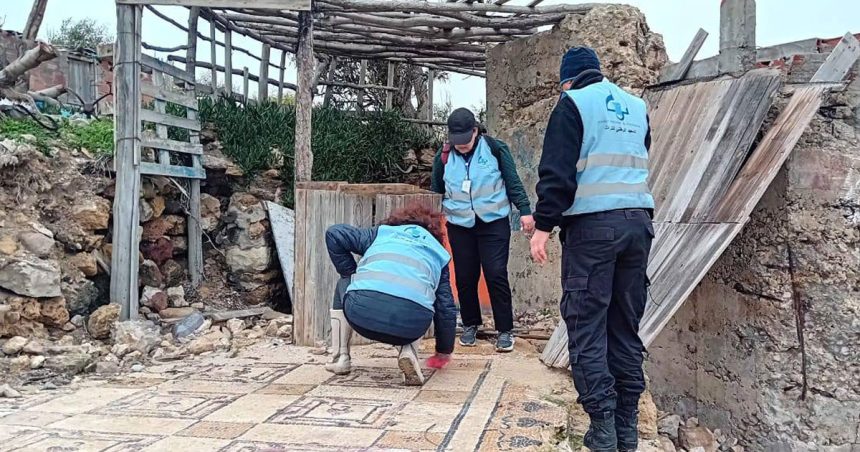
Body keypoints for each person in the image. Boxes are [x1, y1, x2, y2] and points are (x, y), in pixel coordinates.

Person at [529, 47, 655, 452]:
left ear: (567, 80)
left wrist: (542, 226)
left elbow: (557, 174)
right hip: (638, 225)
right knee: (624, 327)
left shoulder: (572, 105)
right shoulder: (636, 106)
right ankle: (627, 431)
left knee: (586, 328)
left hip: (593, 230)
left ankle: (602, 429)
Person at [430, 107, 533, 352]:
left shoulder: (495, 149)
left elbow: (512, 181)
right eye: (457, 141)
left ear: (475, 131)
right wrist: (432, 221)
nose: (461, 145)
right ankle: (470, 323)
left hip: (493, 223)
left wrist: (526, 211)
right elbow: (436, 190)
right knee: (465, 276)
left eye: (466, 140)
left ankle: (505, 330)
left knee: (495, 272)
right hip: (459, 225)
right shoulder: (443, 156)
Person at [324, 203, 456, 386]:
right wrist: (443, 351)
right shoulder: (437, 254)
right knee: (419, 296)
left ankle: (340, 358)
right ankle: (409, 352)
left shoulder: (381, 234)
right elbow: (446, 308)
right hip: (409, 328)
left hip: (360, 315)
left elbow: (335, 233)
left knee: (344, 281)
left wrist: (350, 273)